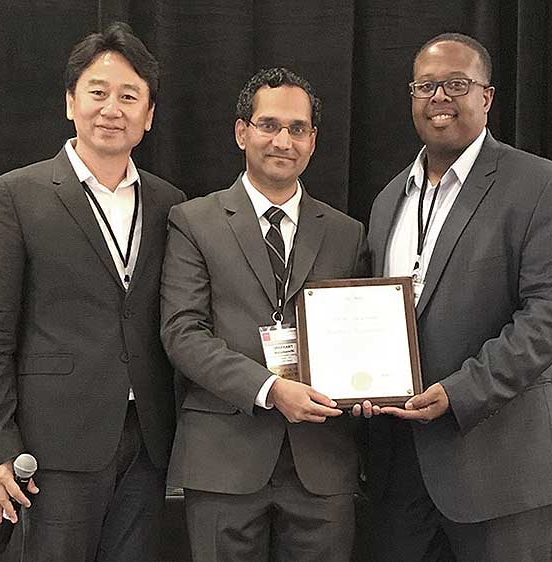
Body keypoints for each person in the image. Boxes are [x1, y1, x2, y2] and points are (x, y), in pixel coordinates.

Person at [358, 33, 552, 562]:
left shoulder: (543, 185)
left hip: (505, 469)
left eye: (456, 84)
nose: (439, 97)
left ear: (486, 97)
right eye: (425, 86)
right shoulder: (388, 198)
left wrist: (460, 392)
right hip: (403, 471)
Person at [0, 22, 185, 562]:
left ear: (149, 116)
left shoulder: (170, 203)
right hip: (54, 444)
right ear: (71, 102)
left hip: (149, 440)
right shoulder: (16, 194)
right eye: (98, 92)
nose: (113, 108)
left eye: (130, 96)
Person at [160, 67, 369, 562]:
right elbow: (182, 332)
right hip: (223, 459)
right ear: (242, 132)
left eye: (297, 129)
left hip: (323, 462)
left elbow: (360, 335)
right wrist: (271, 389)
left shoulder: (346, 233)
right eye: (268, 125)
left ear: (313, 140)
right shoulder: (194, 220)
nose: (283, 140)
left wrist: (369, 385)